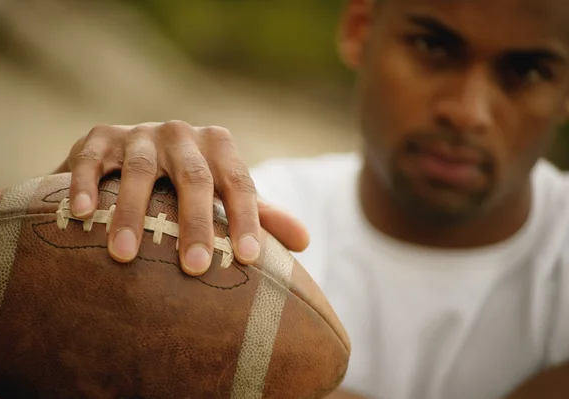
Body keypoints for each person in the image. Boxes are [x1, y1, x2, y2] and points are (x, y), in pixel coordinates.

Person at [53, 0, 569, 398]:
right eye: (433, 47)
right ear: (359, 31)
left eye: (527, 72)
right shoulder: (245, 223)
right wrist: (72, 232)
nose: (467, 111)